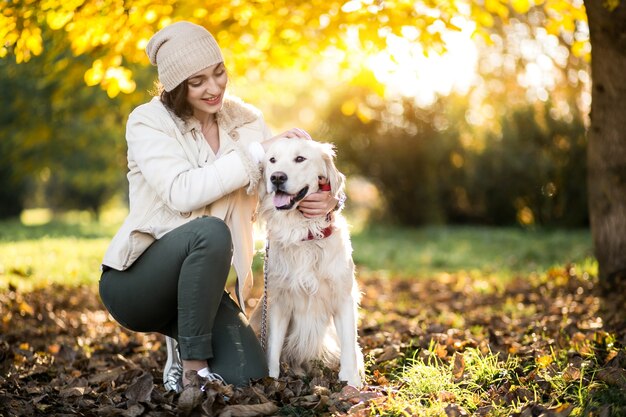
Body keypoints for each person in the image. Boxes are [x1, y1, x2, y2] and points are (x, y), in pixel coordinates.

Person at [98, 21, 339, 391]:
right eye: (198, 82)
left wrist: (329, 196)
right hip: (138, 283)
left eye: (219, 73)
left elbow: (279, 187)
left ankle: (192, 341)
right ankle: (192, 370)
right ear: (178, 87)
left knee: (249, 374)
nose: (214, 88)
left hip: (202, 288)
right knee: (210, 232)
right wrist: (257, 154)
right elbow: (181, 191)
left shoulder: (246, 122)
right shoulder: (148, 122)